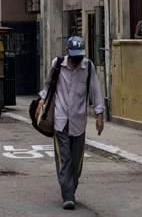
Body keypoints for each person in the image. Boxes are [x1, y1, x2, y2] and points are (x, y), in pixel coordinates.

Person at [38, 36, 105, 211]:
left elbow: (95, 91)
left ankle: (72, 186)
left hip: (79, 120)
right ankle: (68, 195)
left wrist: (99, 114)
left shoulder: (88, 67)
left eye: (79, 57)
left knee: (76, 160)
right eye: (74, 57)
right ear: (68, 54)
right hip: (60, 120)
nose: (76, 60)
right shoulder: (57, 64)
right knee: (65, 158)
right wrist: (41, 103)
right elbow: (48, 85)